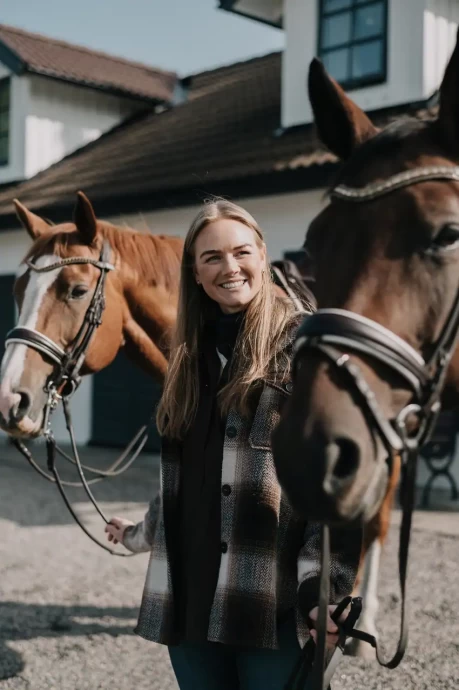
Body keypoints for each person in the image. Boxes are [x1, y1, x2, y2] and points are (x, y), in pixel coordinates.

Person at [105, 200, 361, 690]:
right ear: (195, 274)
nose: (229, 268)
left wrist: (325, 589)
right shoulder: (186, 362)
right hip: (189, 605)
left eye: (241, 252)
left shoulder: (309, 349)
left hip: (270, 606)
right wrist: (137, 532)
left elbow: (340, 489)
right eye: (211, 258)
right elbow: (188, 482)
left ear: (262, 256)